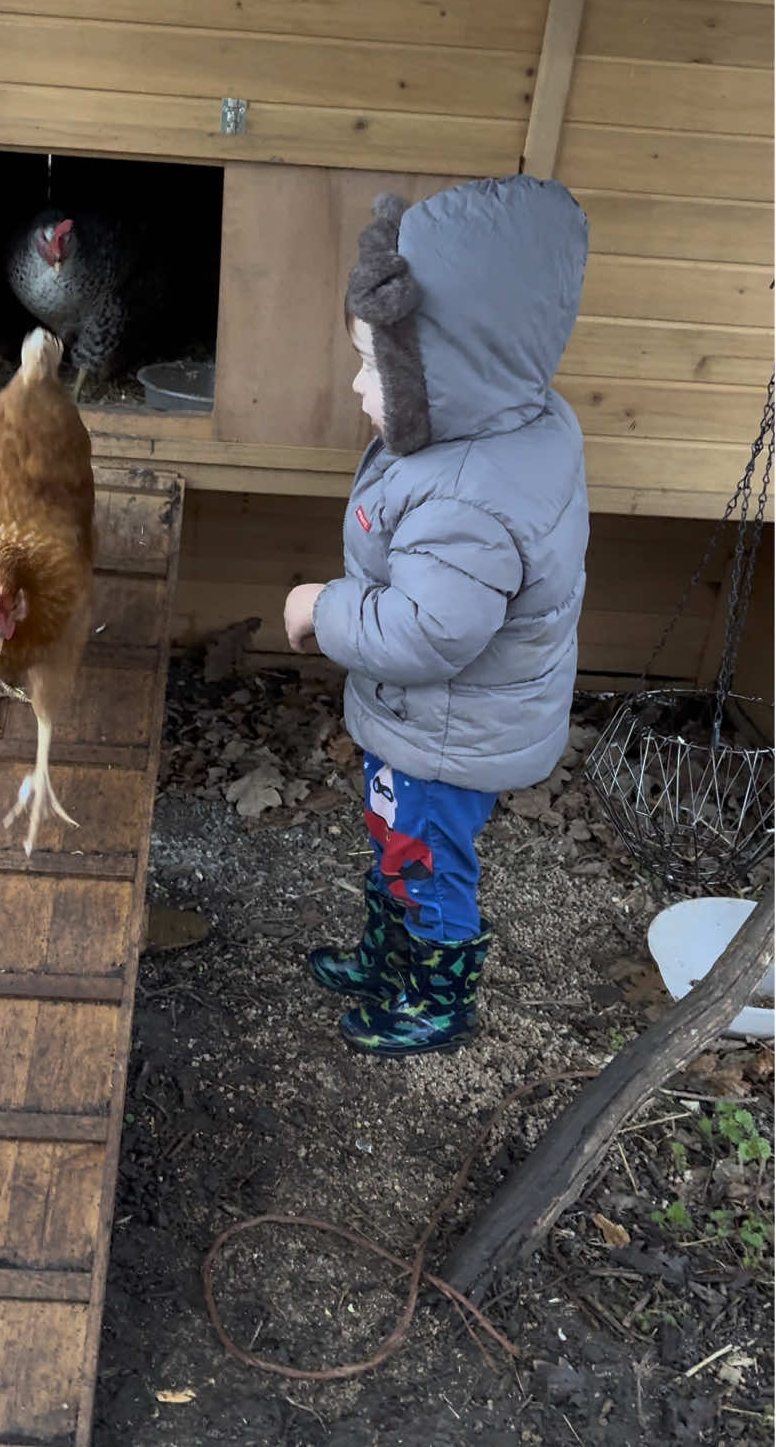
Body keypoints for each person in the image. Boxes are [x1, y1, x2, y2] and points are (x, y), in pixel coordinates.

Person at [283, 176, 590, 1059]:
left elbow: (428, 630)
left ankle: (437, 997)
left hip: (451, 733)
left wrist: (322, 607)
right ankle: (385, 959)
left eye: (376, 367)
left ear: (454, 370)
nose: (355, 385)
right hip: (436, 724)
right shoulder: (496, 433)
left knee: (425, 861)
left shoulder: (471, 494)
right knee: (395, 839)